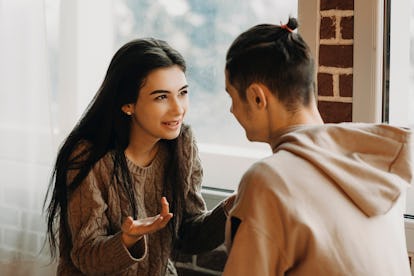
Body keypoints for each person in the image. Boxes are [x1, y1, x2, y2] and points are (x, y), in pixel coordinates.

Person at [222, 17, 413, 275]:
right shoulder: (376, 162)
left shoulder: (269, 181)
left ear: (258, 97)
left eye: (232, 97)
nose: (231, 110)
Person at [43, 38, 234, 276]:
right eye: (161, 97)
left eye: (183, 93)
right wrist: (127, 239)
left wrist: (232, 205)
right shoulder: (89, 157)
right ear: (127, 104)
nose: (178, 109)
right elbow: (87, 259)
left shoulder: (182, 144)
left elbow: (189, 237)